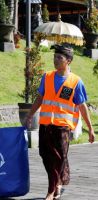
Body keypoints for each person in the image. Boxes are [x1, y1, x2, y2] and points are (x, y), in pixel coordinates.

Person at [25, 44, 95, 200]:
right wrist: (30, 115)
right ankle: (59, 183)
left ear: (68, 61)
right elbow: (40, 98)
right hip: (45, 125)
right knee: (45, 155)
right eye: (54, 57)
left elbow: (82, 106)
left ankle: (52, 190)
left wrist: (90, 129)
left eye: (59, 57)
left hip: (62, 127)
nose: (55, 60)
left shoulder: (76, 82)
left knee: (60, 157)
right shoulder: (47, 77)